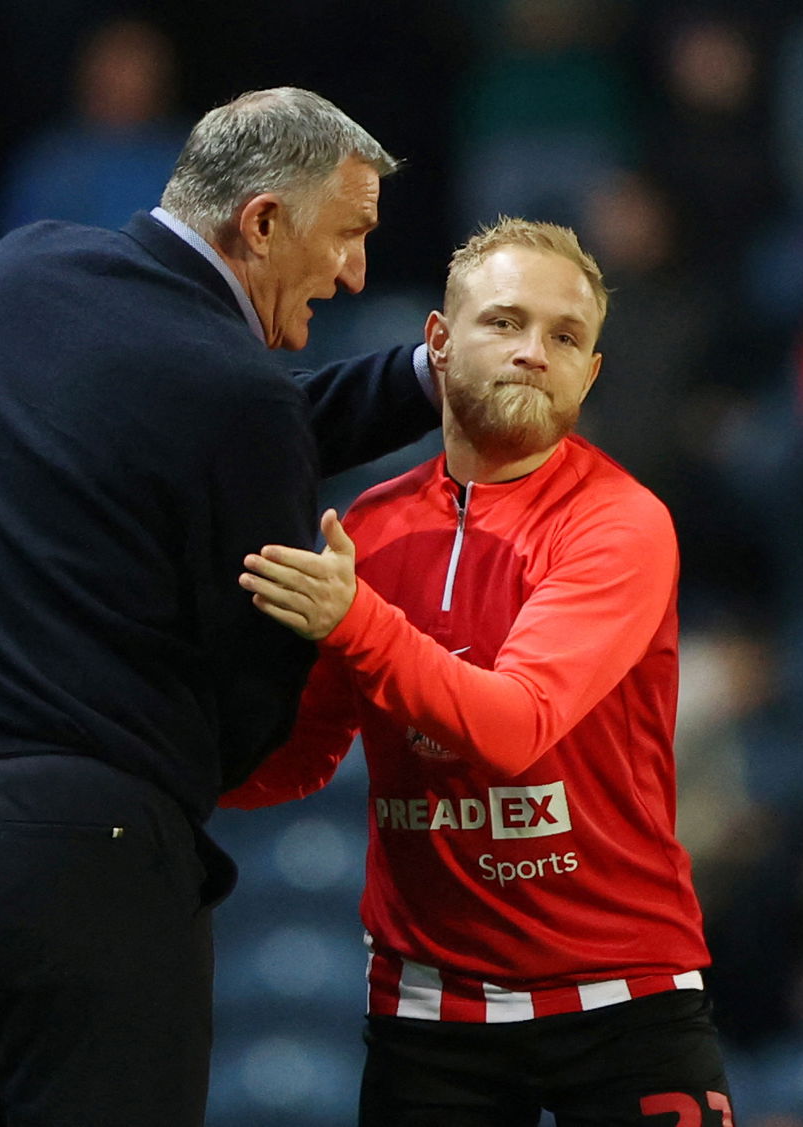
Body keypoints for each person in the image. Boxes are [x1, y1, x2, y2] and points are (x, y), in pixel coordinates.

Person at [0, 87, 440, 1126]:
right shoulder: (233, 401)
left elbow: (227, 417)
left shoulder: (15, 274)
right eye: (348, 236)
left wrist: (426, 377)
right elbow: (249, 714)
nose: (355, 272)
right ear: (265, 221)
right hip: (71, 848)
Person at [226, 218, 736, 1125]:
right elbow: (300, 758)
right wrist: (139, 760)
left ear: (590, 374)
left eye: (566, 336)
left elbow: (513, 727)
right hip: (431, 1013)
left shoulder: (621, 523)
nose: (535, 352)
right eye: (505, 322)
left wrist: (356, 619)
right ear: (438, 341)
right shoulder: (372, 530)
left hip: (626, 1000)